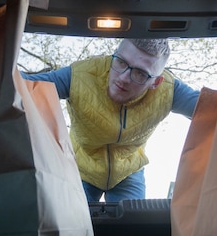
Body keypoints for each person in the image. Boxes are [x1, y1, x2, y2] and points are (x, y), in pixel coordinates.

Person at [21, 38, 200, 202]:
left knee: (133, 229)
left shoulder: (169, 91)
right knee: (73, 225)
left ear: (156, 82)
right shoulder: (80, 76)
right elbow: (23, 85)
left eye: (139, 73)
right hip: (80, 168)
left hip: (128, 172)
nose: (123, 77)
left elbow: (214, 110)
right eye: (121, 62)